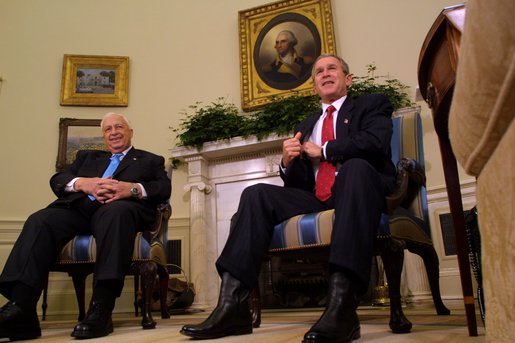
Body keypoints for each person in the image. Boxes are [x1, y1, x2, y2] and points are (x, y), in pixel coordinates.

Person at [180, 54, 397, 342]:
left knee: (355, 168)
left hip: (361, 192)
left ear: (348, 79)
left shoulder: (371, 104)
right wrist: (288, 161)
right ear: (314, 86)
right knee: (255, 194)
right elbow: (299, 185)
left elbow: (376, 143)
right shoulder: (307, 123)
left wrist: (326, 150)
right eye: (319, 72)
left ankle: (342, 308)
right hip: (319, 198)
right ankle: (232, 306)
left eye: (332, 68)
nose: (325, 74)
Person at [0, 113, 171, 340]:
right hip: (79, 211)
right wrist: (83, 183)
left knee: (115, 212)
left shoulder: (150, 160)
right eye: (108, 129)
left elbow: (163, 188)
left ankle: (101, 307)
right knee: (40, 219)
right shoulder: (87, 157)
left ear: (131, 132)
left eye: (119, 126)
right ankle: (21, 309)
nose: (114, 132)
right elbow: (58, 180)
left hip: (120, 211)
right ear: (103, 136)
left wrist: (131, 189)